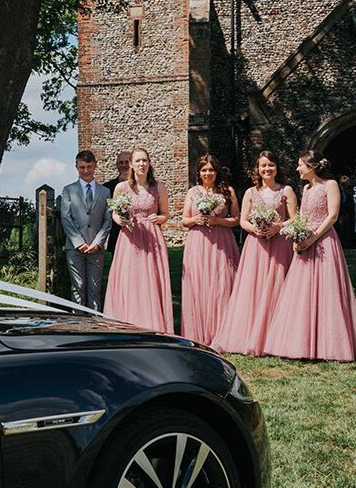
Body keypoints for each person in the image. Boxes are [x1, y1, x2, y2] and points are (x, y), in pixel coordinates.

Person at [261, 152, 356, 362]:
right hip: (305, 241)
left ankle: (331, 345)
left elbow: (332, 216)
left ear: (312, 166)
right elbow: (303, 216)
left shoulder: (330, 185)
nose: (297, 169)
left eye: (300, 165)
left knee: (327, 292)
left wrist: (313, 238)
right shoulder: (306, 188)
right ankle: (303, 343)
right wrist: (297, 236)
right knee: (304, 294)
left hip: (324, 242)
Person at [214, 150, 297, 356]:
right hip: (256, 245)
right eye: (263, 166)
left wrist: (278, 227)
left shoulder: (286, 191)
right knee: (255, 289)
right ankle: (252, 335)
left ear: (277, 167)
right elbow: (242, 220)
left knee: (278, 287)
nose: (267, 169)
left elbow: (295, 218)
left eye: (270, 165)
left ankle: (278, 338)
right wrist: (255, 229)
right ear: (257, 170)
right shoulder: (251, 192)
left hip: (280, 244)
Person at [103, 147, 174, 333]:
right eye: (138, 161)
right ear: (132, 165)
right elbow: (116, 215)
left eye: (145, 160)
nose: (142, 164)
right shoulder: (121, 188)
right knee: (130, 279)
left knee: (150, 278)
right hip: (130, 237)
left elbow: (165, 214)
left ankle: (152, 323)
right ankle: (127, 321)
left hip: (152, 238)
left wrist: (159, 219)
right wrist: (122, 221)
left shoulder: (159, 187)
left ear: (149, 163)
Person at [177, 153, 240, 349]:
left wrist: (218, 221)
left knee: (222, 284)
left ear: (217, 171)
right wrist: (196, 220)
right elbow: (185, 220)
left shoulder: (227, 191)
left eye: (211, 169)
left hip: (222, 242)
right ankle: (199, 333)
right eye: (204, 170)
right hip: (198, 243)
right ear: (199, 173)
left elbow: (237, 218)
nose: (208, 173)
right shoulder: (193, 192)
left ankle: (224, 333)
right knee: (200, 284)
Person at [57, 148, 114, 310]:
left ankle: (95, 321)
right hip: (75, 248)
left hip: (96, 247)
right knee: (78, 286)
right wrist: (78, 242)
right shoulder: (69, 190)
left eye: (89, 166)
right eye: (82, 167)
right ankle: (77, 320)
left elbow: (108, 219)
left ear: (95, 166)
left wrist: (98, 242)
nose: (86, 171)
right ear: (76, 167)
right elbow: (66, 218)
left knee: (94, 287)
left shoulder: (105, 192)